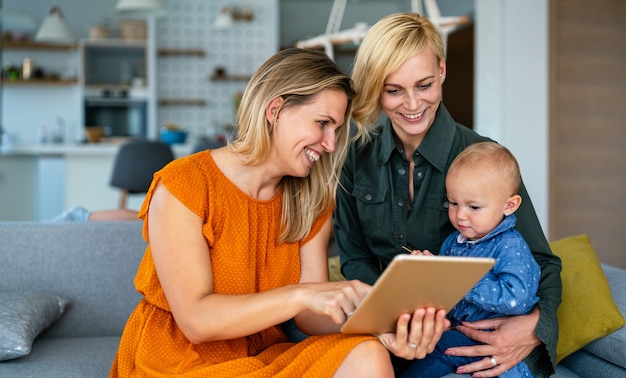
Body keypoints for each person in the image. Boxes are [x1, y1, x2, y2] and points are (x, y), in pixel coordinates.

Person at [109, 47, 446, 377]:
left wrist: (381, 327)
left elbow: (310, 319)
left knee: (367, 354)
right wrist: (302, 295)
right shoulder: (184, 185)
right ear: (275, 110)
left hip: (262, 355)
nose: (330, 144)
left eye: (336, 130)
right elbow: (197, 321)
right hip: (180, 360)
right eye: (322, 123)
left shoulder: (311, 199)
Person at [333, 13, 562, 378]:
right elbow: (356, 259)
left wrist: (537, 325)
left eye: (423, 85)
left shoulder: (486, 160)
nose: (411, 104)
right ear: (376, 89)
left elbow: (540, 261)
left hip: (473, 341)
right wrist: (392, 319)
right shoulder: (354, 159)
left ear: (441, 70)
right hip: (391, 340)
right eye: (393, 90)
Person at [402, 141, 541, 377]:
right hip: (455, 334)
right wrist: (427, 271)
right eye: (453, 203)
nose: (460, 215)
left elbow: (517, 299)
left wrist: (459, 279)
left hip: (495, 343)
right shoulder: (452, 242)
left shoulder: (510, 246)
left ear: (509, 205)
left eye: (474, 207)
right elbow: (443, 294)